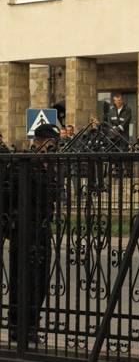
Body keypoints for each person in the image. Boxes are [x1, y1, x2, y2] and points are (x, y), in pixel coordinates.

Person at [7, 123, 61, 344]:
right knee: (22, 279)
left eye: (54, 144)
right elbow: (11, 195)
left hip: (42, 229)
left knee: (40, 281)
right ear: (39, 142)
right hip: (24, 229)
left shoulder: (51, 166)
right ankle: (17, 325)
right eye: (49, 143)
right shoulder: (23, 163)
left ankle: (31, 325)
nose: (52, 148)